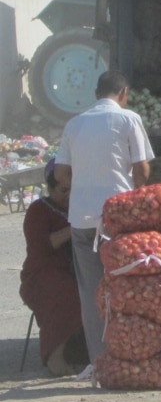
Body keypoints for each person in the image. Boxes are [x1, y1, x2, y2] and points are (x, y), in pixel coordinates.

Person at [54, 70, 155, 368]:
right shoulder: (128, 119)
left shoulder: (75, 123)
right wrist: (136, 193)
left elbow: (60, 174)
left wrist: (83, 180)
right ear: (123, 93)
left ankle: (101, 360)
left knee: (91, 291)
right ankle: (128, 357)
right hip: (117, 218)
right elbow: (143, 169)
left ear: (96, 93)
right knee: (126, 286)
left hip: (82, 220)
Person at [19, 159, 89, 376]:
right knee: (67, 292)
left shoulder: (81, 207)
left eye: (73, 189)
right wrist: (75, 228)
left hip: (74, 270)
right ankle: (54, 356)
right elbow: (41, 246)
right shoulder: (38, 210)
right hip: (42, 275)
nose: (68, 195)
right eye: (63, 190)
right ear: (50, 188)